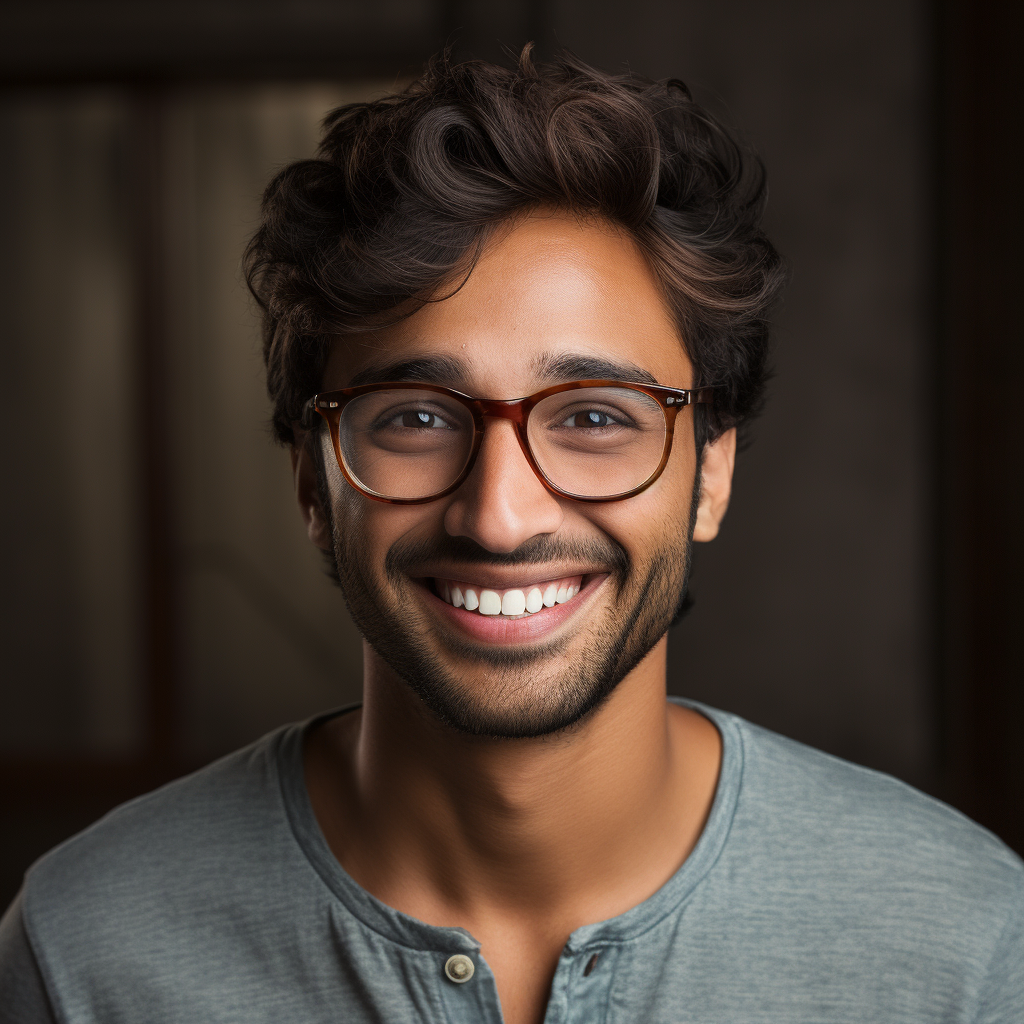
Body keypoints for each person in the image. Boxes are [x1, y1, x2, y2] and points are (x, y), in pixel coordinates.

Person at [1, 49, 1021, 1024]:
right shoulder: (87, 951)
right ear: (312, 484)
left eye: (591, 416)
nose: (499, 515)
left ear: (710, 475)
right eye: (414, 416)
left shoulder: (962, 943)